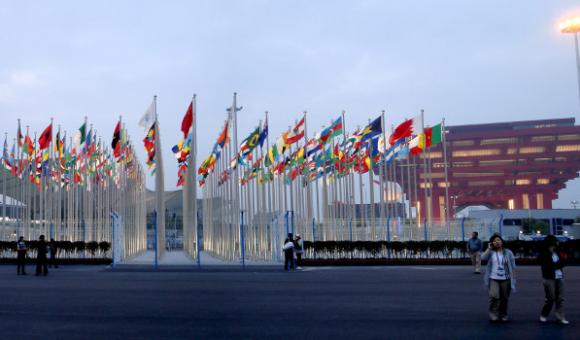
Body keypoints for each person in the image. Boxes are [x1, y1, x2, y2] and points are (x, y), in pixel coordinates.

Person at [482, 234, 516, 322]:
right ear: (492, 243)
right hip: (493, 278)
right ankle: (493, 313)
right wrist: (488, 248)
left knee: (504, 298)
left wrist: (513, 278)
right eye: (494, 241)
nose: (497, 242)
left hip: (506, 278)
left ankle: (503, 314)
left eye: (498, 240)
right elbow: (483, 258)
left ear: (502, 242)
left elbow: (513, 266)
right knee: (494, 296)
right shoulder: (491, 252)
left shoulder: (508, 252)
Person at [538, 235, 569, 325]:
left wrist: (556, 265)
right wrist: (558, 265)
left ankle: (560, 317)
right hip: (548, 278)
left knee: (560, 298)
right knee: (550, 298)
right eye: (555, 241)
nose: (557, 243)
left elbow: (565, 261)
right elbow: (546, 266)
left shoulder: (558, 252)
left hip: (559, 277)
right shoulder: (544, 253)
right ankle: (544, 314)